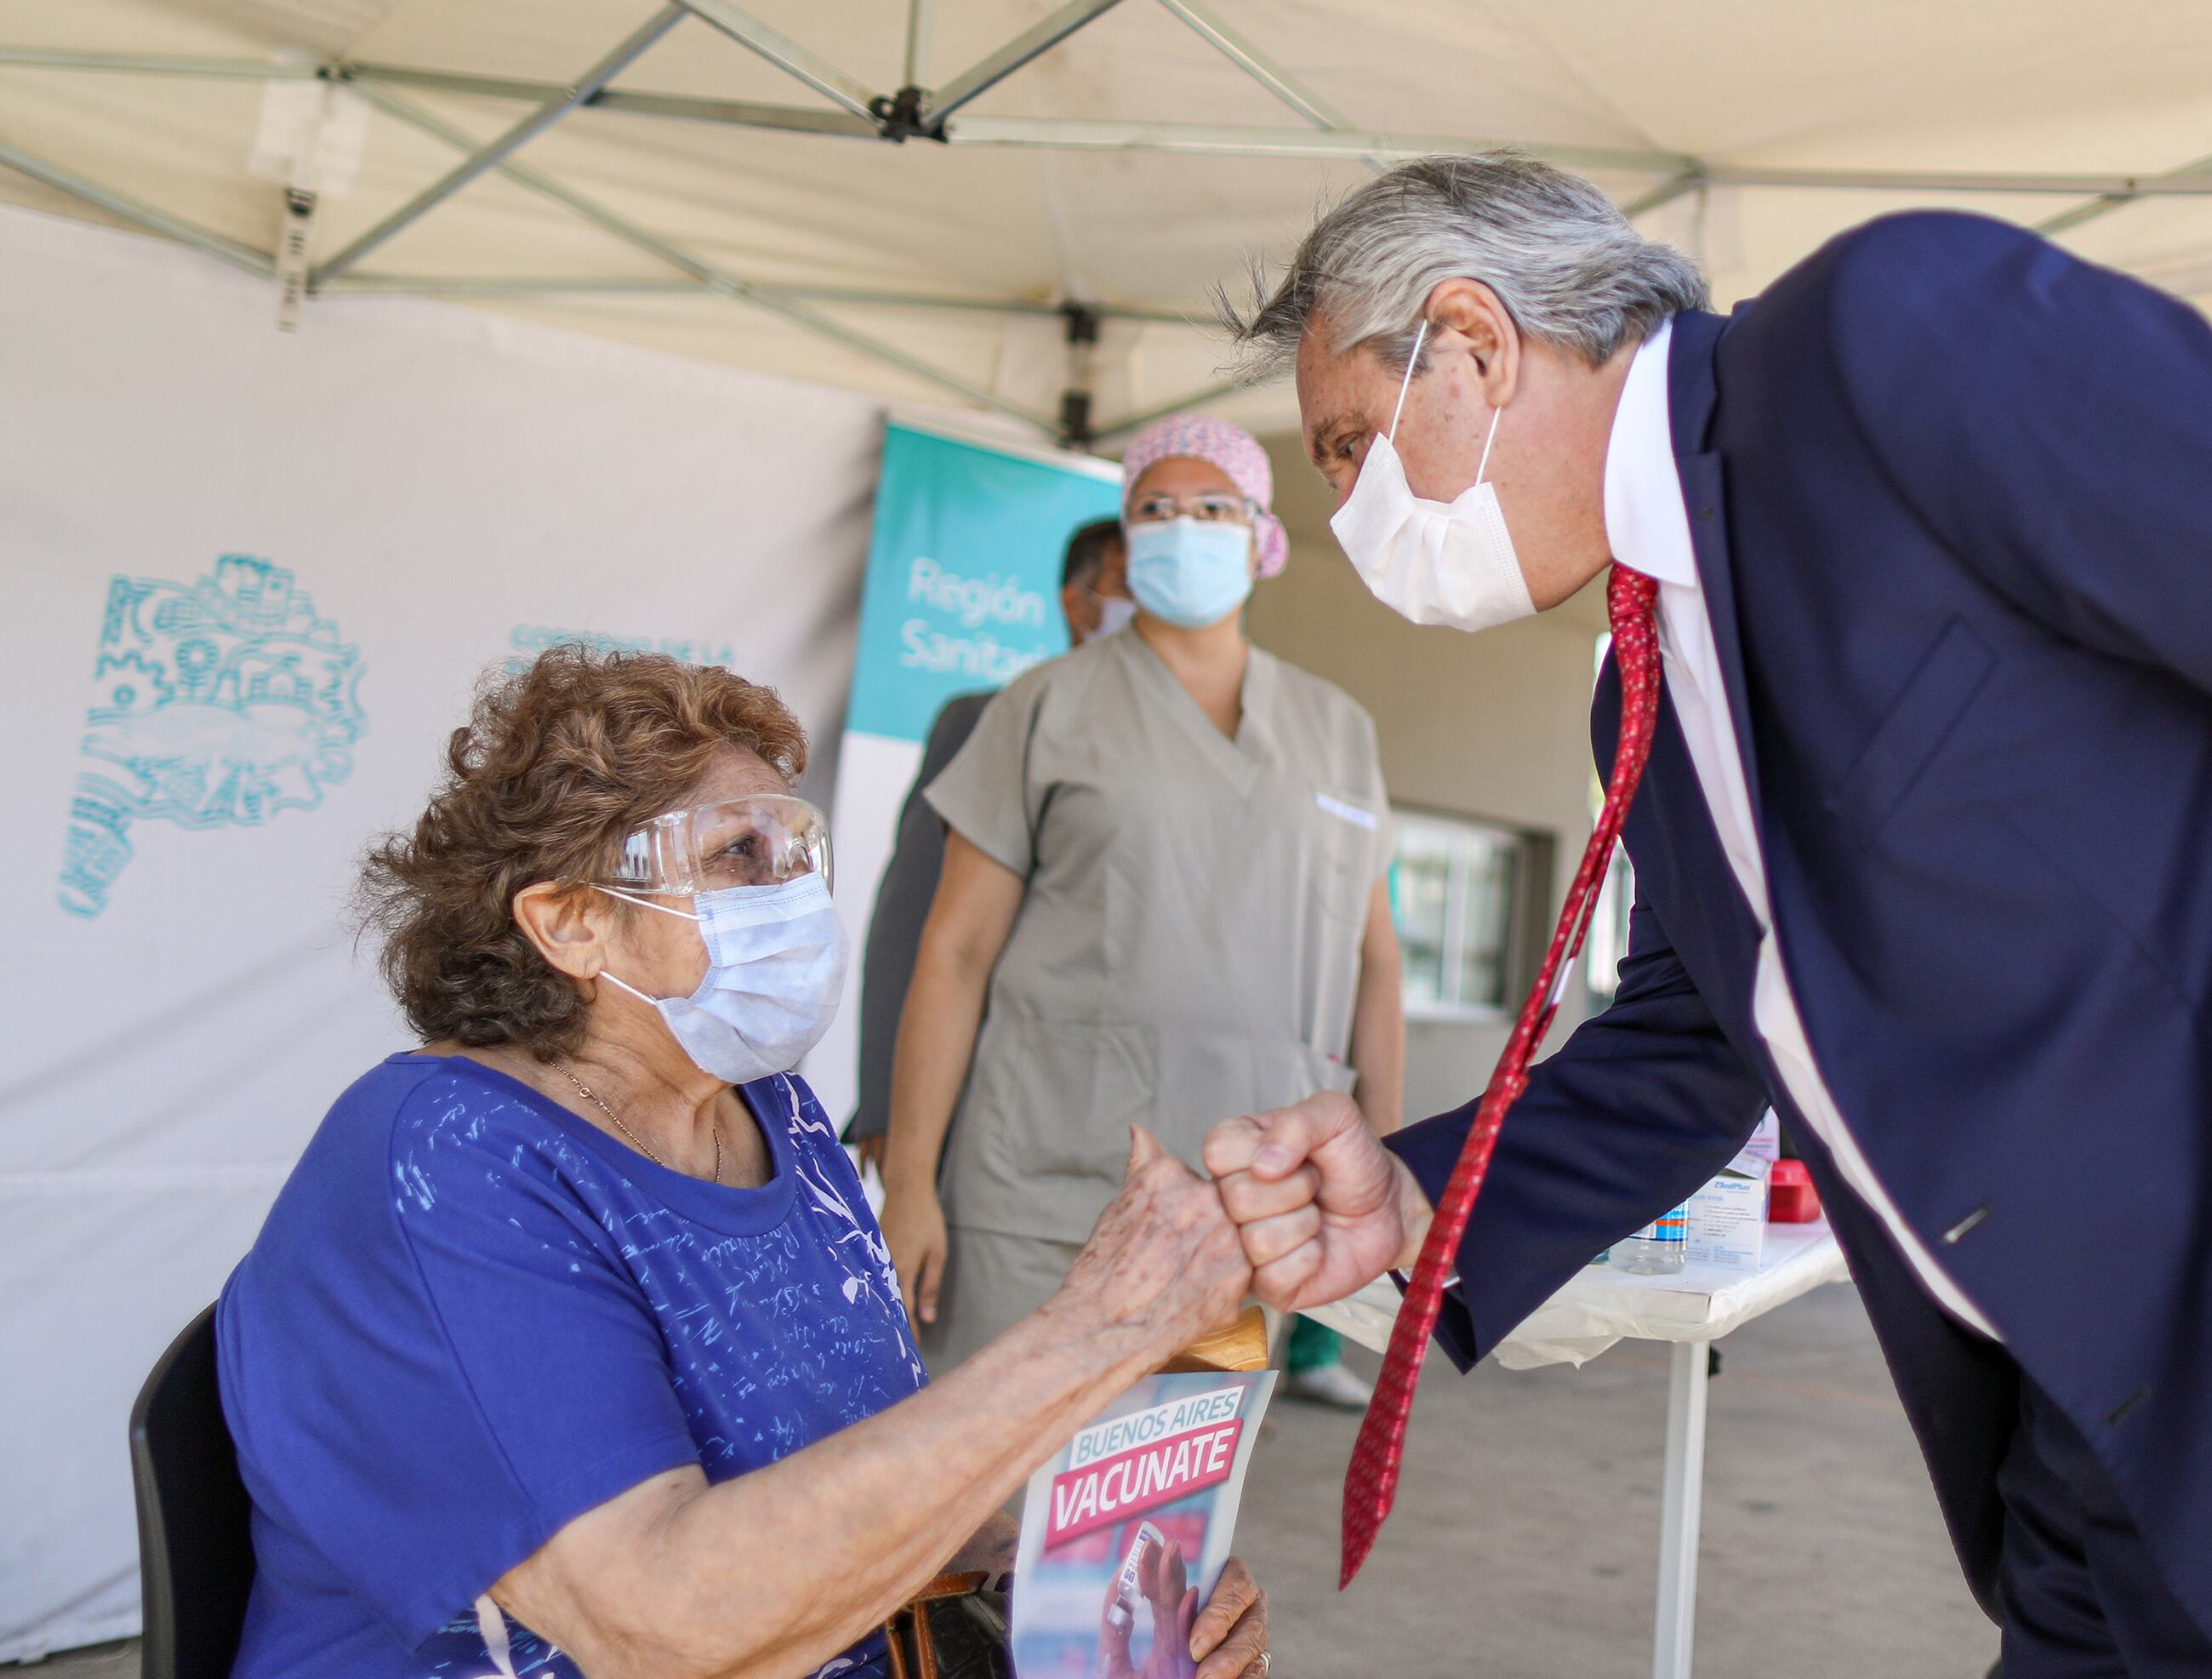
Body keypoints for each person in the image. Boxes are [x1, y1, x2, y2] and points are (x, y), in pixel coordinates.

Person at [1204, 153, 2212, 1678]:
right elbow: (1687, 1051)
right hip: (2087, 1466)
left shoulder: (1892, 351)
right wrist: (1412, 1200)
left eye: (1348, 446)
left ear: (1475, 342)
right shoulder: (1640, 694)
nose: (1348, 509)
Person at [216, 647, 1271, 1679]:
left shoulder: (772, 1112)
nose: (793, 894)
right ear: (571, 922)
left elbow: (868, 1473)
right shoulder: (446, 1164)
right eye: (737, 855)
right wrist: (1093, 1329)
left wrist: (1091, 1584)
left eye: (797, 850)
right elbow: (659, 1632)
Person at [881, 413, 1405, 1396]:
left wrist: (1385, 1166)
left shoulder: (1339, 731)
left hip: (1251, 1211)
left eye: (1213, 508)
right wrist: (910, 1181)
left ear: (1261, 538)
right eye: (1156, 509)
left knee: (1183, 1472)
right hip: (1044, 1195)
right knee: (1003, 1468)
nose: (1182, 527)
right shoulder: (1043, 705)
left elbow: (1376, 963)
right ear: (1125, 540)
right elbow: (952, 953)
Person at [847, 517, 1132, 1168]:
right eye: (1130, 582)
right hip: (985, 1107)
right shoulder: (987, 721)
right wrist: (889, 1106)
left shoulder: (1191, 755)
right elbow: (910, 920)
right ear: (1077, 604)